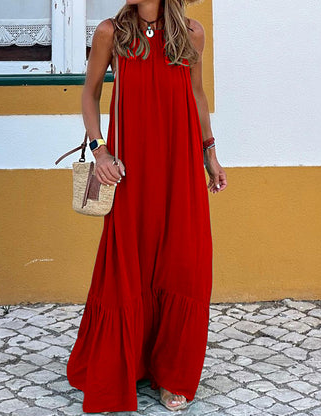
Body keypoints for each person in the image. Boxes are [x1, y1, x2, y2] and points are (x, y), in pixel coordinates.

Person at [66, 0, 227, 413]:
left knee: (183, 263)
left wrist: (210, 153)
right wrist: (100, 151)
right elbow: (90, 93)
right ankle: (129, 363)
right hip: (131, 171)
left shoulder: (191, 34)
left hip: (180, 166)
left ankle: (172, 373)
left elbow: (197, 94)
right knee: (129, 263)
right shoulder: (111, 33)